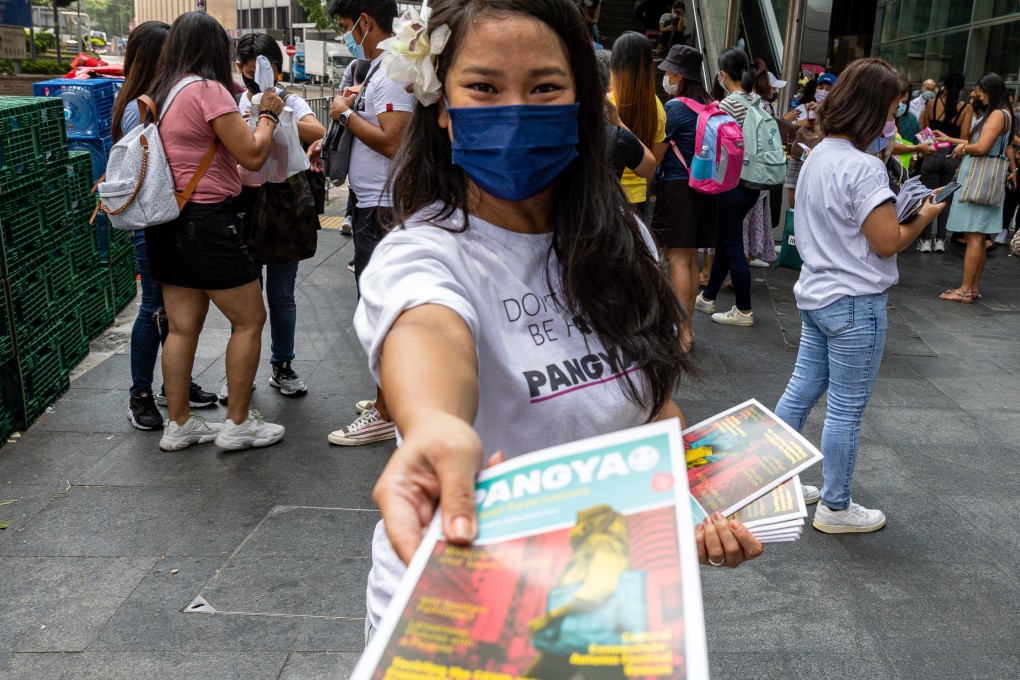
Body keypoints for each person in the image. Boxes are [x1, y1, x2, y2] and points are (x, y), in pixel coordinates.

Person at [356, 0, 763, 641]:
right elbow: (429, 327)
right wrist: (435, 426)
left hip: (601, 604)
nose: (515, 112)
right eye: (483, 88)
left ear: (583, 102)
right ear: (442, 108)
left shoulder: (623, 238)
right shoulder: (422, 253)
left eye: (545, 87)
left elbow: (654, 412)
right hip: (465, 616)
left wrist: (689, 506)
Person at [773, 58, 947, 533]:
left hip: (816, 293)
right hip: (855, 302)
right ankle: (835, 506)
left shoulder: (815, 155)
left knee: (801, 391)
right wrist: (924, 216)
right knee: (846, 410)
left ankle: (775, 482)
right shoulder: (865, 168)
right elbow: (887, 240)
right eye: (891, 111)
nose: (893, 122)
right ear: (872, 111)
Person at [144, 12, 286, 451]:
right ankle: (237, 424)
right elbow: (252, 155)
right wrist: (267, 114)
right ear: (213, 49)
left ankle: (180, 424)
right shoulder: (207, 90)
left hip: (168, 223)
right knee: (250, 319)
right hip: (208, 222)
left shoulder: (164, 92)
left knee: (182, 328)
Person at [309, 0, 415, 446]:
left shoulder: (391, 67)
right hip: (375, 204)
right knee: (380, 308)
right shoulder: (380, 67)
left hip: (385, 208)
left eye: (346, 26)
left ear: (365, 22)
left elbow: (394, 141)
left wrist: (343, 115)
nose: (346, 35)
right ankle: (387, 399)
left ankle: (387, 412)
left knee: (383, 312)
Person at [112, 21, 219, 431]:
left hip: (171, 217)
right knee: (155, 308)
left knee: (178, 313)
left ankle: (174, 384)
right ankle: (139, 393)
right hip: (152, 220)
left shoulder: (157, 98)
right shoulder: (140, 107)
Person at [232, 34, 326, 399]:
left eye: (263, 70)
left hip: (286, 205)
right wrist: (252, 114)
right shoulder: (235, 102)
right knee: (244, 297)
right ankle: (240, 372)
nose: (255, 79)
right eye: (250, 72)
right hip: (246, 202)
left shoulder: (291, 100)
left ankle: (282, 366)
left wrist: (275, 116)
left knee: (282, 294)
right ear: (240, 68)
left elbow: (318, 131)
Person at [694, 47, 765, 327]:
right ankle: (708, 296)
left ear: (723, 74)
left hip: (731, 182)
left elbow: (712, 146)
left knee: (733, 243)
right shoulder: (757, 101)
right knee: (727, 238)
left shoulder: (727, 105)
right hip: (754, 182)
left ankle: (744, 310)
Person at [935, 73, 1017, 303]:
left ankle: (963, 290)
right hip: (987, 181)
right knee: (979, 237)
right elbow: (983, 145)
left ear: (988, 91)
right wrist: (953, 140)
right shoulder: (1005, 114)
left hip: (978, 181)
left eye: (978, 90)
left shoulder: (998, 115)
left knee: (974, 237)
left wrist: (961, 150)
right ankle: (971, 288)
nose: (974, 94)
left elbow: (980, 148)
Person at [652, 45, 713, 350]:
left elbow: (657, 156)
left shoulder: (675, 108)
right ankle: (687, 328)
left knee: (676, 258)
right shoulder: (710, 104)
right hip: (703, 189)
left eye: (667, 71)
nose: (664, 75)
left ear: (678, 74)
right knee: (688, 258)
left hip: (677, 188)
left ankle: (682, 331)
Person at [610, 31, 668, 217]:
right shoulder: (657, 107)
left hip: (607, 194)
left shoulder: (607, 102)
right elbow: (654, 161)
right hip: (638, 199)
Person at [917, 71, 972, 252]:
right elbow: (965, 138)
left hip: (932, 153)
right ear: (962, 88)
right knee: (945, 199)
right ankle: (940, 240)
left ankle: (925, 240)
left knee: (929, 197)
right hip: (952, 157)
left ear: (944, 86)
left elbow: (923, 127)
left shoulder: (931, 104)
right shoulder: (966, 108)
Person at [595, 50, 656, 181]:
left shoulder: (561, 126)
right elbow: (650, 166)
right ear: (609, 87)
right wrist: (618, 122)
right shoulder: (618, 137)